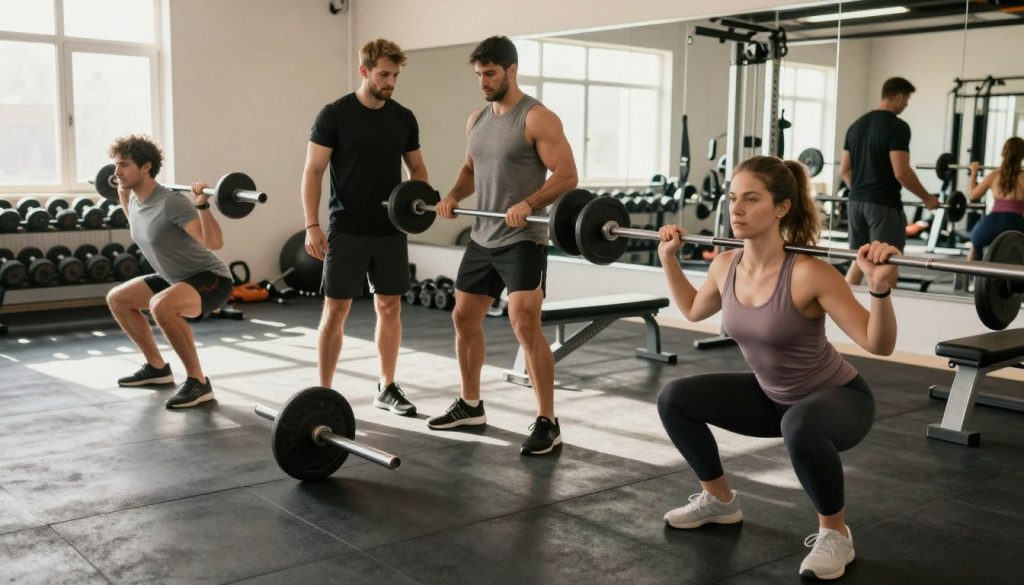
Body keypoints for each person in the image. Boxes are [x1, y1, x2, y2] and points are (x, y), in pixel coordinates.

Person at [655, 155, 899, 580]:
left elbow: (878, 344)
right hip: (773, 398)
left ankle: (836, 534)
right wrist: (668, 260)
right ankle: (720, 501)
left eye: (751, 199)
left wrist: (879, 290)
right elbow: (693, 309)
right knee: (674, 398)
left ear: (782, 207)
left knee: (799, 425)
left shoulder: (810, 273)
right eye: (733, 197)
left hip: (839, 401)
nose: (737, 209)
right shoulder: (725, 265)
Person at [426, 35, 578, 455]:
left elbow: (567, 175)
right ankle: (470, 405)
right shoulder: (477, 120)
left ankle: (548, 421)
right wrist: (453, 195)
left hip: (522, 240)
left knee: (525, 325)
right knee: (463, 317)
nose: (483, 81)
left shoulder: (537, 118)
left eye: (490, 73)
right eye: (478, 74)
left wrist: (529, 203)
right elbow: (470, 168)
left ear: (512, 70)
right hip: (482, 237)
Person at [301, 38, 428, 416]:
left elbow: (417, 168)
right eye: (384, 75)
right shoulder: (334, 115)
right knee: (335, 310)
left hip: (390, 229)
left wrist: (415, 204)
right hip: (347, 226)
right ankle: (323, 393)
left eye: (395, 76)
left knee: (389, 307)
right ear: (364, 71)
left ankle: (386, 387)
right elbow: (313, 171)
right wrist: (311, 224)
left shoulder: (403, 118)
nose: (390, 82)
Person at [105, 134, 234, 409]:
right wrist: (122, 194)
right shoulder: (134, 199)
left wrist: (202, 205)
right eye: (116, 165)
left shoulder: (171, 202)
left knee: (160, 306)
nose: (116, 172)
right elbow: (138, 225)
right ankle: (157, 368)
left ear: (146, 167)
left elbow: (214, 243)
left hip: (209, 277)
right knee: (118, 299)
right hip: (174, 277)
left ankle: (198, 382)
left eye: (124, 165)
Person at [840, 76, 939, 285]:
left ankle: (843, 303)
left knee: (859, 259)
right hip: (883, 205)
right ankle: (887, 307)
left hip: (856, 202)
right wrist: (927, 198)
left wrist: (861, 192)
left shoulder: (856, 126)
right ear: (899, 97)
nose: (906, 105)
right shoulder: (897, 127)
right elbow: (901, 172)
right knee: (887, 262)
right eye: (907, 100)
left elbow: (845, 170)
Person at [967, 136, 1024, 261]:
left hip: (991, 223)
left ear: (1003, 153)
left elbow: (972, 195)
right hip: (1016, 224)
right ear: (1022, 155)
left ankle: (970, 273)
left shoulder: (994, 176)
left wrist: (974, 172)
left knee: (975, 243)